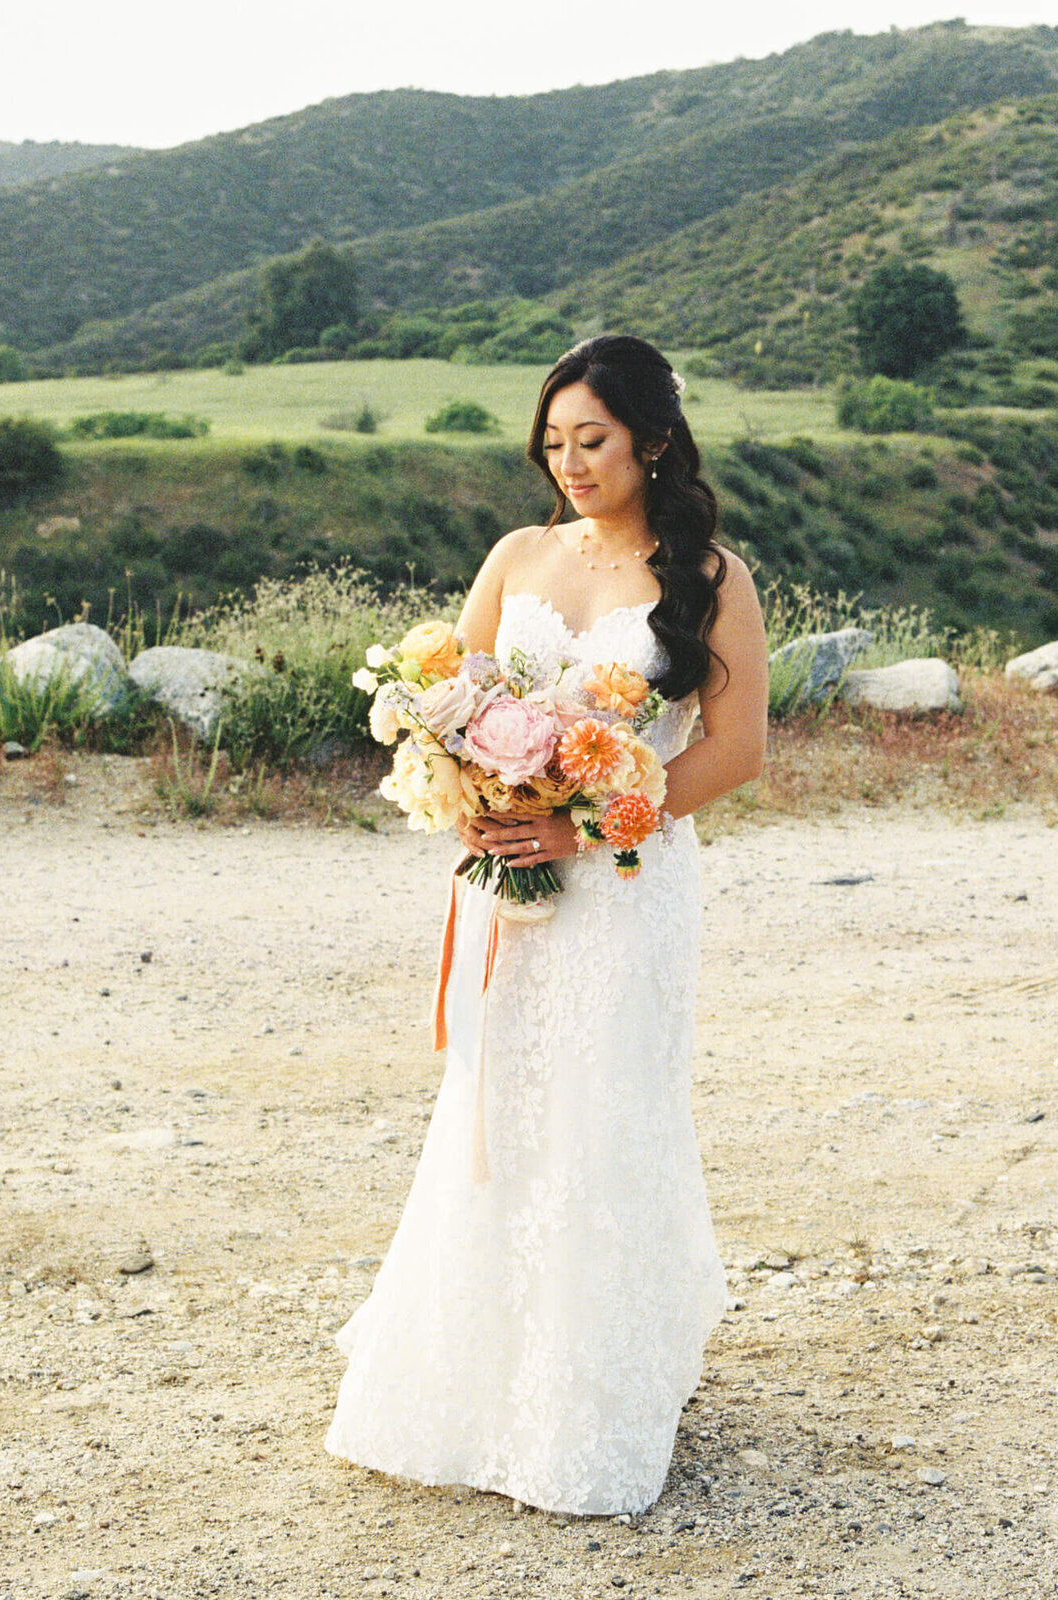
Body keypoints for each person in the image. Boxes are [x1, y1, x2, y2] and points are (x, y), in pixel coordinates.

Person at [325, 335, 769, 1516]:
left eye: (595, 440)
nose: (570, 462)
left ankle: (593, 1398)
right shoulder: (517, 554)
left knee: (602, 1112)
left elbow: (737, 749)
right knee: (496, 1110)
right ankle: (473, 1385)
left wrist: (594, 823)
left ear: (654, 443)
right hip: (510, 881)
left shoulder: (711, 576)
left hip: (624, 884)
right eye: (555, 441)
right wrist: (472, 791)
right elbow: (452, 704)